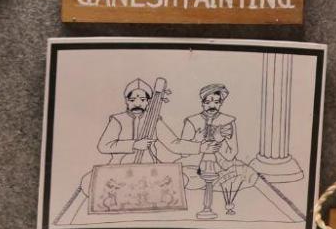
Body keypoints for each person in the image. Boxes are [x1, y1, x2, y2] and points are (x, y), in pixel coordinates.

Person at [176, 83, 259, 216]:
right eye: (208, 102)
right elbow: (184, 151)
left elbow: (232, 152)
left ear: (220, 104)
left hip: (221, 165)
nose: (212, 105)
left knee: (244, 175)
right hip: (195, 165)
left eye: (216, 102)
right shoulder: (192, 121)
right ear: (202, 103)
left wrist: (219, 141)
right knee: (183, 179)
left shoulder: (227, 121)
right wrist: (199, 143)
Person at [97, 78, 172, 164]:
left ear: (148, 101)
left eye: (143, 100)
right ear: (126, 101)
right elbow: (103, 146)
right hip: (119, 166)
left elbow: (172, 142)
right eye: (132, 100)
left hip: (149, 167)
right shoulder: (117, 119)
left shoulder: (155, 118)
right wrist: (134, 145)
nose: (137, 104)